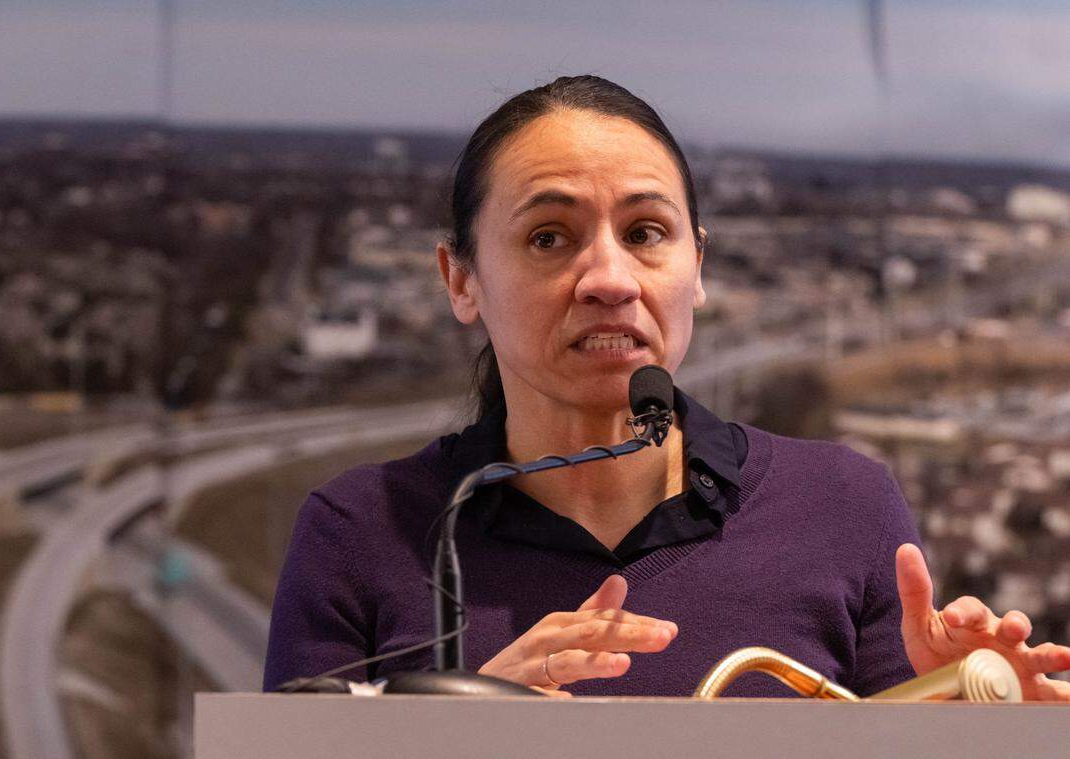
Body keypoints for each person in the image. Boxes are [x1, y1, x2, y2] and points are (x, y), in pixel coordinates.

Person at [263, 75, 1070, 700]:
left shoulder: (847, 506)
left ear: (698, 266)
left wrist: (962, 726)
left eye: (647, 232)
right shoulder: (361, 536)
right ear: (460, 278)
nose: (610, 278)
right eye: (550, 237)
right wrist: (465, 728)